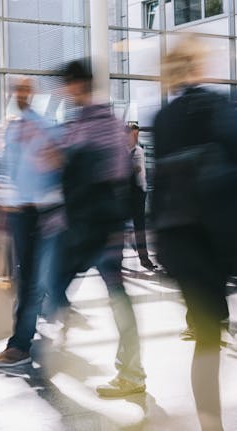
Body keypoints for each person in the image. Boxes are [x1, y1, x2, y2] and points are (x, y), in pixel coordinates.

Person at [152, 35, 237, 430]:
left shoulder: (163, 118)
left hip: (180, 241)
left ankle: (211, 426)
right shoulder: (219, 107)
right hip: (219, 236)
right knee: (210, 330)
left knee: (206, 337)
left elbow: (159, 187)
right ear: (198, 66)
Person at [51, 59, 146, 398]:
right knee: (62, 286)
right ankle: (128, 370)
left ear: (78, 84)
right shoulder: (81, 122)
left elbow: (113, 174)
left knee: (114, 297)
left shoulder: (100, 122)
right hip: (88, 226)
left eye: (68, 83)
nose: (64, 90)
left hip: (99, 230)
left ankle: (131, 373)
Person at [0, 77, 65, 369]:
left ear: (33, 94)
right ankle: (27, 336)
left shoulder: (43, 127)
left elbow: (56, 166)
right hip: (20, 213)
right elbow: (7, 170)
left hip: (39, 212)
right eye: (16, 90)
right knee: (28, 279)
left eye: (25, 90)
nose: (19, 94)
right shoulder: (14, 128)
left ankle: (20, 345)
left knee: (31, 281)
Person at [127, 123, 157, 271]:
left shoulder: (138, 150)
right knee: (137, 227)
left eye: (136, 134)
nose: (135, 136)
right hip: (132, 193)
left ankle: (143, 257)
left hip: (139, 192)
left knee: (138, 226)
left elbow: (141, 172)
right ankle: (143, 257)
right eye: (133, 133)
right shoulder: (129, 152)